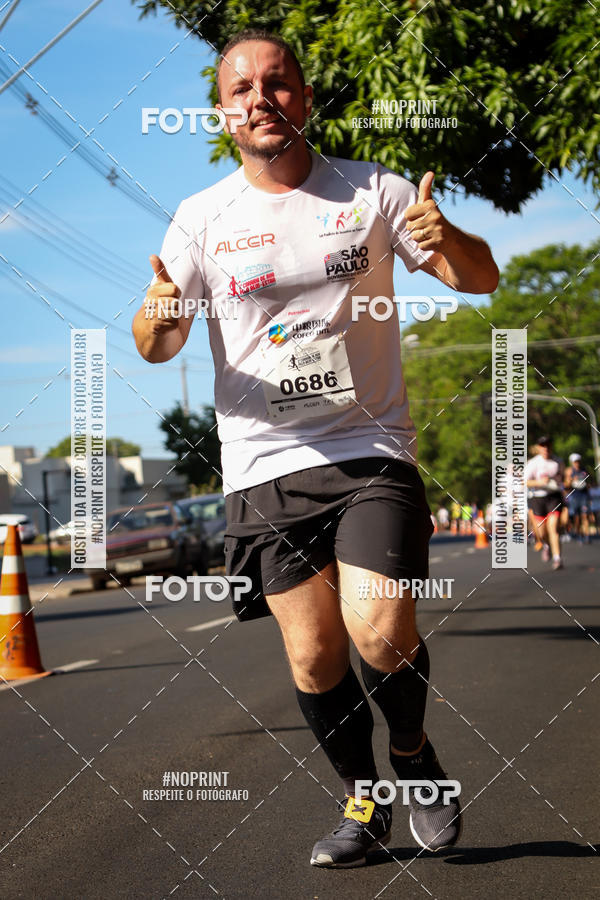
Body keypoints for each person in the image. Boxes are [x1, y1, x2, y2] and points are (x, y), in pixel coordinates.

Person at [132, 30, 499, 868]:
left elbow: (480, 278)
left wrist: (449, 238)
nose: (262, 98)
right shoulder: (201, 217)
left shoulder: (373, 190)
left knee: (378, 628)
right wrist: (156, 312)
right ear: (224, 112)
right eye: (243, 89)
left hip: (370, 448)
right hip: (264, 465)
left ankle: (413, 756)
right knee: (313, 651)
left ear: (304, 95)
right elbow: (157, 343)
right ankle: (363, 800)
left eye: (279, 83)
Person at [525, 436, 565, 569]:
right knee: (541, 533)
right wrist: (540, 483)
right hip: (537, 498)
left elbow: (563, 479)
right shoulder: (533, 463)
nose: (546, 448)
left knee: (553, 528)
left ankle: (557, 558)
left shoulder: (558, 462)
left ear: (551, 446)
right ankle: (547, 545)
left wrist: (563, 482)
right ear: (539, 447)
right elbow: (525, 482)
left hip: (553, 497)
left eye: (548, 445)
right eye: (543, 445)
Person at [564, 453, 591, 543]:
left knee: (585, 516)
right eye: (575, 462)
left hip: (584, 496)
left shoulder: (584, 470)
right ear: (572, 462)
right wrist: (571, 479)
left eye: (578, 461)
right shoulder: (569, 471)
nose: (577, 463)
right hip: (574, 496)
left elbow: (589, 483)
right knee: (577, 517)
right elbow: (566, 485)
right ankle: (579, 534)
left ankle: (587, 536)